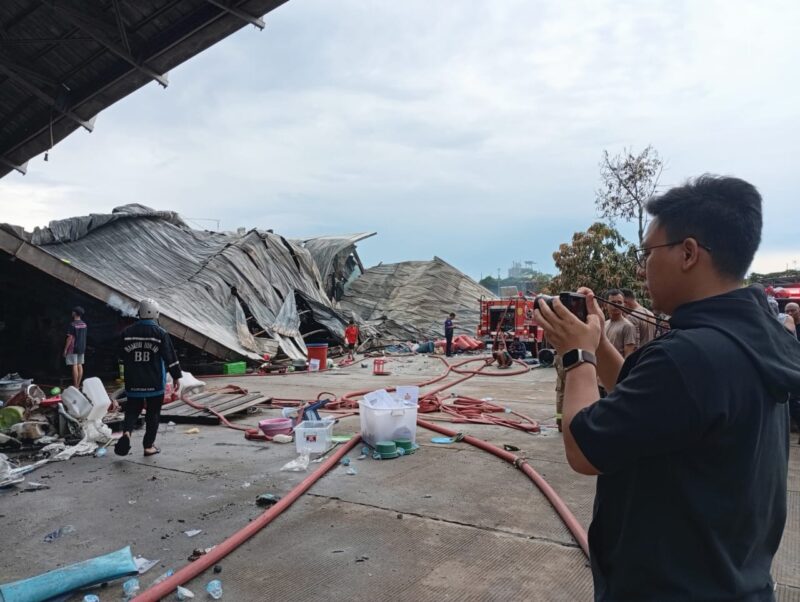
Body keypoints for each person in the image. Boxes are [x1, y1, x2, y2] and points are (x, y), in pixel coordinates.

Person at [535, 175, 799, 600]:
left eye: (648, 253)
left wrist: (575, 356)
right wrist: (599, 343)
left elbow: (584, 450)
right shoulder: (753, 337)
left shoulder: (687, 357)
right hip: (735, 581)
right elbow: (653, 406)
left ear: (689, 253)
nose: (642, 268)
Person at [115, 299, 182, 457]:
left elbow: (119, 356)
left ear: (139, 313)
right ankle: (148, 446)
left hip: (134, 380)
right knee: (153, 414)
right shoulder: (160, 333)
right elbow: (170, 357)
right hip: (154, 381)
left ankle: (126, 433)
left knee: (132, 410)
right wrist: (176, 377)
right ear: (156, 313)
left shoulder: (127, 333)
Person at [603, 289, 637, 357]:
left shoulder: (628, 326)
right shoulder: (604, 324)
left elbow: (628, 355)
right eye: (613, 302)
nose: (616, 305)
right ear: (605, 305)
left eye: (619, 302)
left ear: (624, 304)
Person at [63, 306, 87, 388]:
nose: (72, 312)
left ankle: (75, 384)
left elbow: (70, 338)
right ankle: (78, 385)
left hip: (73, 347)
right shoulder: (84, 324)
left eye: (73, 311)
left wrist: (65, 349)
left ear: (75, 313)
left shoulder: (72, 324)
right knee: (80, 364)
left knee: (74, 365)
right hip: (82, 347)